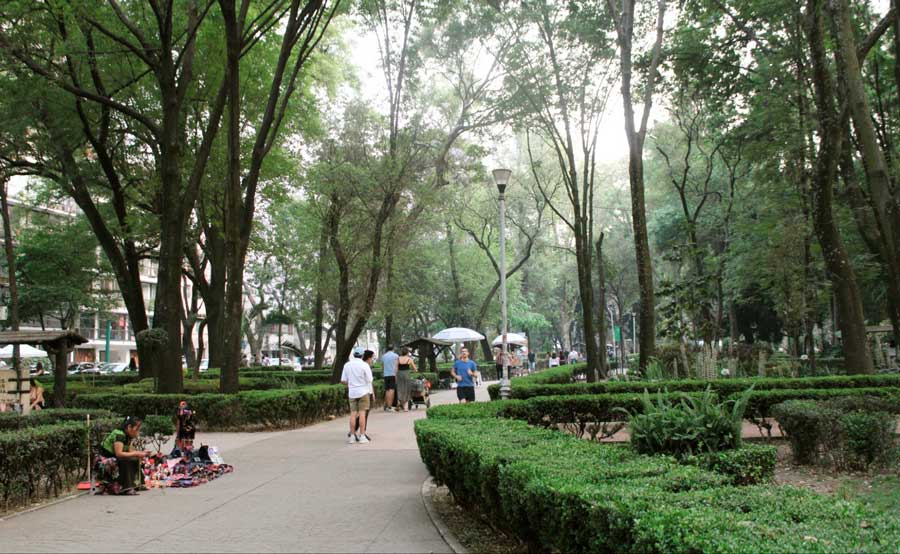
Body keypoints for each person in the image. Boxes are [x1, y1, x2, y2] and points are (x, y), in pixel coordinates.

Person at [96, 416, 150, 495]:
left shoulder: (129, 436)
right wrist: (136, 453)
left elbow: (130, 450)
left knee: (135, 458)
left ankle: (138, 484)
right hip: (105, 459)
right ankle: (127, 488)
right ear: (129, 427)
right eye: (136, 429)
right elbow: (119, 453)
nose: (138, 432)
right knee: (126, 461)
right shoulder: (119, 435)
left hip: (115, 457)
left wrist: (141, 453)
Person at [341, 349, 373, 444]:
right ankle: (362, 436)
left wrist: (351, 384)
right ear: (362, 356)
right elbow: (370, 379)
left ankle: (352, 436)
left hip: (352, 392)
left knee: (353, 414)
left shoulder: (347, 365)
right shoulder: (365, 365)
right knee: (362, 414)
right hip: (363, 392)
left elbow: (343, 380)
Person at [396, 347, 418, 412]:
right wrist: (415, 370)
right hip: (406, 374)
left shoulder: (398, 358)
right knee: (407, 389)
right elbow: (415, 369)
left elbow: (396, 369)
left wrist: (395, 376)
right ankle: (405, 407)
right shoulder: (409, 359)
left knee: (400, 388)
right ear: (407, 353)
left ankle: (399, 402)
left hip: (399, 374)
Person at [381, 345, 399, 412]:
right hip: (392, 374)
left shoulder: (383, 356)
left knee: (387, 390)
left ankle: (387, 406)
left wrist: (383, 374)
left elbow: (382, 366)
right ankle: (390, 407)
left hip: (386, 375)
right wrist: (396, 376)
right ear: (393, 349)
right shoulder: (396, 356)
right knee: (392, 390)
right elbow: (396, 367)